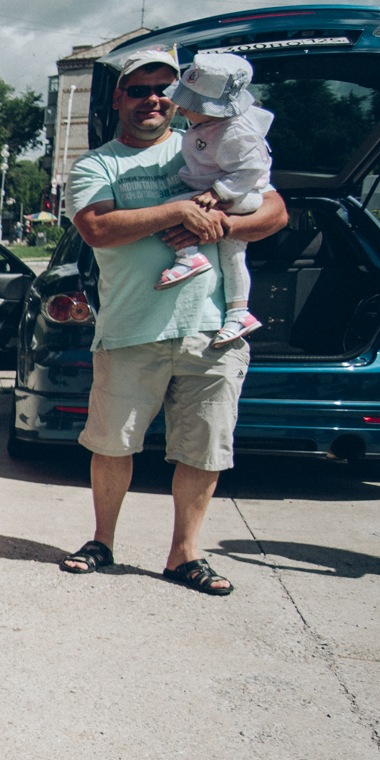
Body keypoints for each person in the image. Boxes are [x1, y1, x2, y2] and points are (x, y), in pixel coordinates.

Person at [57, 49, 286, 595]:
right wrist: (179, 211)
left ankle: (185, 554)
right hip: (130, 327)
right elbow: (97, 228)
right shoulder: (98, 165)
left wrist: (222, 223)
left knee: (204, 448)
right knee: (113, 445)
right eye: (139, 89)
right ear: (120, 98)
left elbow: (275, 212)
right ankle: (102, 542)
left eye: (164, 88)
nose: (153, 99)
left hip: (212, 329)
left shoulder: (212, 140)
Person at [155, 53, 273, 347]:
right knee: (234, 257)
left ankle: (189, 256)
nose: (181, 107)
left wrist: (216, 193)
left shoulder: (235, 133)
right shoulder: (212, 126)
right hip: (234, 197)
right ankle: (239, 314)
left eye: (191, 104)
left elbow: (252, 170)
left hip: (240, 196)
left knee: (173, 209)